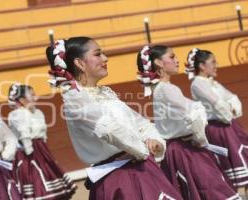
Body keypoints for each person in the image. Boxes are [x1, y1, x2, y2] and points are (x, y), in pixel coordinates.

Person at [46, 37, 183, 200]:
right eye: (97, 54)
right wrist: (143, 149)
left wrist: (154, 140)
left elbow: (141, 123)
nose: (105, 58)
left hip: (141, 167)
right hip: (118, 178)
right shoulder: (75, 99)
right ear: (80, 63)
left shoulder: (105, 92)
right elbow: (110, 130)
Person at [136, 45, 240, 199]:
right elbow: (194, 114)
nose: (177, 60)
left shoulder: (163, 88)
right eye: (172, 57)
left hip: (179, 149)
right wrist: (200, 139)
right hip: (184, 151)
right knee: (211, 189)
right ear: (158, 63)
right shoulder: (166, 89)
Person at [187, 48, 248, 195]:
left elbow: (233, 99)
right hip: (219, 129)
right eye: (213, 62)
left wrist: (231, 110)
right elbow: (219, 104)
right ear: (202, 65)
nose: (216, 65)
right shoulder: (198, 84)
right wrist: (229, 113)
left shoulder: (211, 82)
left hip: (229, 127)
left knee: (243, 172)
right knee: (236, 176)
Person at [8, 83, 77, 199]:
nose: (35, 98)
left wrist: (43, 147)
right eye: (32, 95)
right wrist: (29, 149)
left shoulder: (37, 113)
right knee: (33, 177)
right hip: (26, 154)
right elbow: (23, 133)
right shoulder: (17, 115)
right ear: (22, 100)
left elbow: (43, 132)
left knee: (47, 173)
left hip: (41, 149)